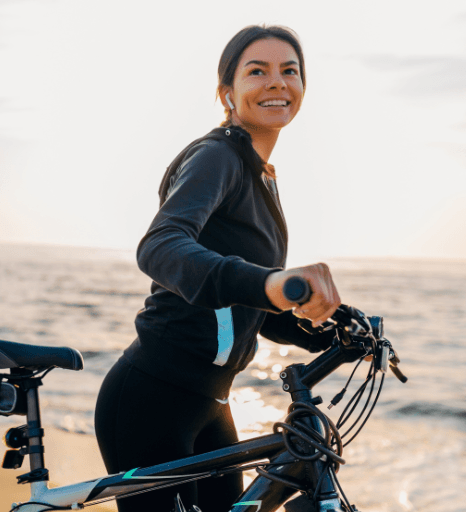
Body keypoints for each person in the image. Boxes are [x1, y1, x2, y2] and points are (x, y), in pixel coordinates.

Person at [94, 25, 342, 512]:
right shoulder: (217, 157)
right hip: (153, 397)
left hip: (212, 402)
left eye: (289, 71)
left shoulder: (261, 177)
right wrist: (270, 281)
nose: (277, 82)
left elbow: (246, 304)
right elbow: (161, 245)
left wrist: (328, 328)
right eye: (258, 71)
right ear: (227, 93)